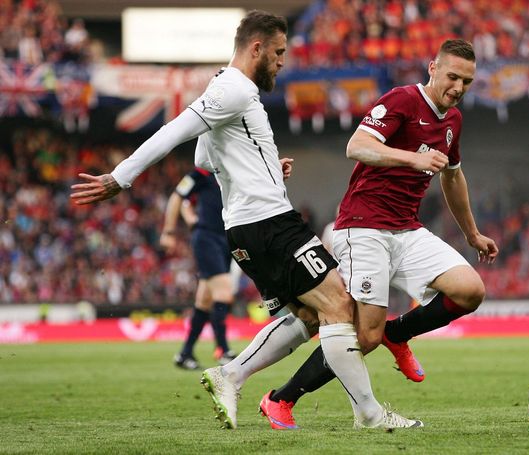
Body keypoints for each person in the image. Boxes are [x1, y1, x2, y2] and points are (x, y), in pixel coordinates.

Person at [70, 10, 421, 430]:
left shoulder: (229, 89)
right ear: (256, 48)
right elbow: (173, 132)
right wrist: (119, 178)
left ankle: (231, 374)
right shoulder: (233, 89)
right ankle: (368, 414)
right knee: (340, 304)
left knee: (310, 316)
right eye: (278, 52)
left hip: (247, 227)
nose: (281, 61)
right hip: (269, 223)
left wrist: (265, 165)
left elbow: (204, 157)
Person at [258, 38, 499, 430]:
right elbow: (358, 146)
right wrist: (414, 158)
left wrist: (471, 233)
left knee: (470, 290)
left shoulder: (452, 121)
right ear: (432, 68)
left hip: (406, 228)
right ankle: (280, 399)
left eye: (467, 81)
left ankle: (398, 333)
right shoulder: (403, 100)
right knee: (362, 337)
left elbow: (453, 177)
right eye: (453, 76)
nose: (458, 87)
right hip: (363, 226)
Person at [160, 167, 238, 370]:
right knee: (224, 292)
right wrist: (169, 231)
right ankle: (223, 350)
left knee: (204, 300)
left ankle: (185, 353)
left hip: (226, 240)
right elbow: (179, 197)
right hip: (207, 238)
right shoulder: (201, 174)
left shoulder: (231, 172)